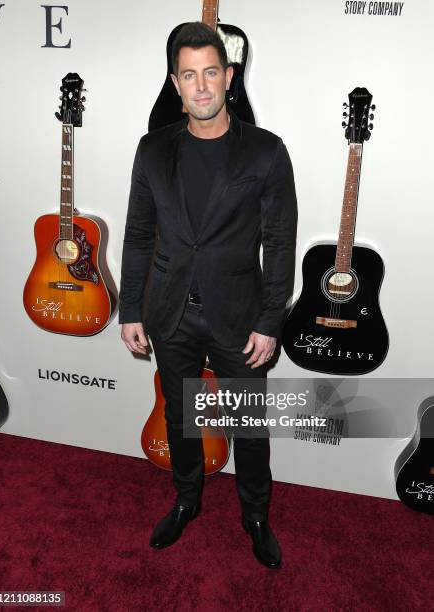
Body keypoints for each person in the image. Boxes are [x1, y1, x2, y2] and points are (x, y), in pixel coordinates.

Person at [119, 22, 297, 570]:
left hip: (241, 318)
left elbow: (280, 241)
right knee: (180, 417)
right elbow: (139, 234)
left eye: (211, 73)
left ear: (229, 77)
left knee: (247, 425)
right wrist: (130, 310)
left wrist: (271, 320)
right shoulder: (152, 150)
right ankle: (187, 500)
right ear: (175, 83)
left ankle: (256, 515)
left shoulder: (266, 151)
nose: (201, 86)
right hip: (169, 312)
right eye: (189, 75)